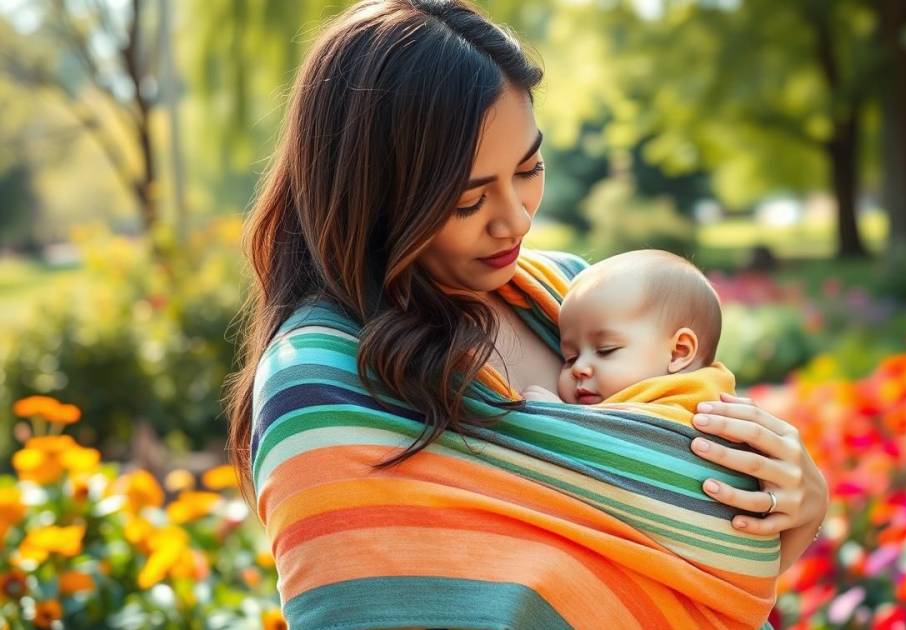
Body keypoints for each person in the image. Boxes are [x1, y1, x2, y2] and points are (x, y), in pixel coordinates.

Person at [222, 1, 828, 627]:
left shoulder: (565, 295)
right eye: (468, 200)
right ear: (377, 200)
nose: (516, 220)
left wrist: (798, 509)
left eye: (529, 169)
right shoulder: (322, 388)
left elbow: (699, 548)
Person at [522, 249, 738, 427]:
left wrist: (560, 418)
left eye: (606, 349)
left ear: (677, 352)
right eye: (570, 357)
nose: (579, 368)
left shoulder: (691, 404)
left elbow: (634, 443)